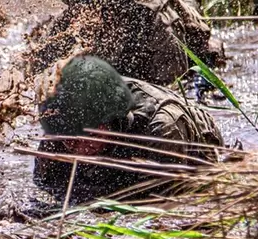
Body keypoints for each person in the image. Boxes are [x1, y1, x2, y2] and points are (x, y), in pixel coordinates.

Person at [33, 54, 226, 203]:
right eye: (69, 138)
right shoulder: (57, 133)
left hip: (195, 150)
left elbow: (161, 204)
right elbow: (47, 190)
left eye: (87, 133)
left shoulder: (161, 128)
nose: (79, 147)